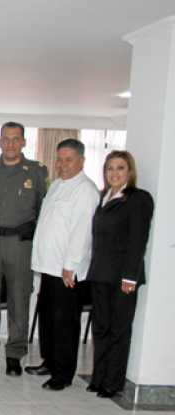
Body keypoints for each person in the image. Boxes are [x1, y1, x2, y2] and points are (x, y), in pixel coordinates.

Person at [0, 122, 49, 376]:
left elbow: (44, 210)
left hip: (20, 244)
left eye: (16, 139)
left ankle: (15, 353)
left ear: (24, 142)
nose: (11, 144)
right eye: (6, 139)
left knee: (19, 298)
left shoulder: (36, 172)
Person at [30, 139, 100, 391]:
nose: (62, 164)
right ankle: (49, 362)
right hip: (49, 266)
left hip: (67, 270)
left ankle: (63, 374)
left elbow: (82, 232)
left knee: (64, 323)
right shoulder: (57, 185)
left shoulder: (86, 190)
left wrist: (70, 264)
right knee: (48, 318)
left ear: (82, 160)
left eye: (68, 160)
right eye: (59, 159)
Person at [86, 151, 154, 398]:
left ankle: (113, 382)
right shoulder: (104, 197)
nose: (114, 173)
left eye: (120, 168)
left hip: (122, 278)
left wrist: (130, 277)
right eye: (110, 168)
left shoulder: (138, 199)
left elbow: (138, 240)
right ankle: (99, 377)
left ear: (130, 171)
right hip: (100, 274)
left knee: (119, 330)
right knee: (101, 328)